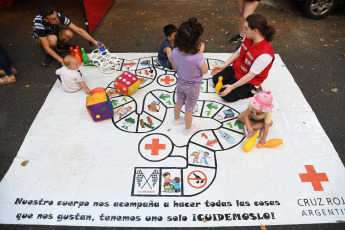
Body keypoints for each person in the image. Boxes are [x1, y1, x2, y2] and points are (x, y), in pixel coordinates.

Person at [211, 14, 275, 102]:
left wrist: (232, 86)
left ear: (255, 31)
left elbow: (251, 75)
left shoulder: (265, 55)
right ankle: (233, 82)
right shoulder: (250, 37)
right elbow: (238, 52)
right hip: (239, 69)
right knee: (216, 79)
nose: (244, 31)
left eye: (246, 28)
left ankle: (253, 90)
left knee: (226, 94)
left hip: (250, 80)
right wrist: (223, 66)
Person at [33, 4, 105, 67]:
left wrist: (94, 41)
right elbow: (46, 47)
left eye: (56, 16)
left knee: (68, 34)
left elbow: (78, 30)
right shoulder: (38, 23)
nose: (58, 20)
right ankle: (48, 55)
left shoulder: (58, 16)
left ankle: (61, 46)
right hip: (42, 39)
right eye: (54, 19)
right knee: (52, 39)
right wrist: (62, 60)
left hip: (53, 33)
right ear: (46, 20)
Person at [170, 17, 208, 136]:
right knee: (189, 109)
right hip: (193, 87)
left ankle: (176, 120)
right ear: (195, 42)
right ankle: (188, 129)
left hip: (180, 83)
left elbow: (174, 67)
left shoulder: (175, 51)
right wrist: (201, 52)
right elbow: (205, 71)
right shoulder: (197, 57)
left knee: (179, 102)